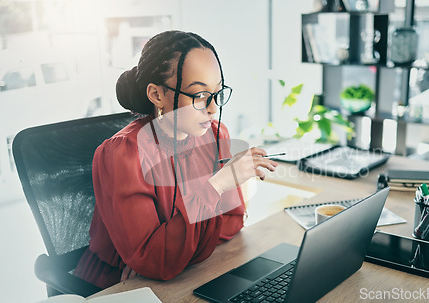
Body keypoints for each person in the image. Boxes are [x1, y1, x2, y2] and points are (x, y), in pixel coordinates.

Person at [74, 30, 278, 289]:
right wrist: (218, 185)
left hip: (185, 272)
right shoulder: (124, 153)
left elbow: (232, 223)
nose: (213, 108)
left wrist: (173, 253)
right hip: (118, 285)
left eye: (217, 93)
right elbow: (155, 259)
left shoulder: (216, 134)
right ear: (157, 95)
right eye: (199, 96)